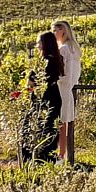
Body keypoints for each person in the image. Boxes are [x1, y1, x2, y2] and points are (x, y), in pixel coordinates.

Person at [21, 32, 64, 164]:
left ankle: (34, 160)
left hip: (42, 101)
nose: (37, 45)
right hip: (54, 99)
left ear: (45, 44)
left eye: (39, 42)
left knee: (32, 129)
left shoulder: (43, 62)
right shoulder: (57, 59)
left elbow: (31, 84)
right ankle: (47, 159)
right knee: (49, 130)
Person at [52, 20, 82, 162]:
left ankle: (61, 155)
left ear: (62, 31)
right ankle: (63, 154)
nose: (53, 34)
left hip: (61, 88)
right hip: (69, 88)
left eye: (55, 31)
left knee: (60, 124)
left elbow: (61, 72)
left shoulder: (63, 49)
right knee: (65, 122)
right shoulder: (74, 48)